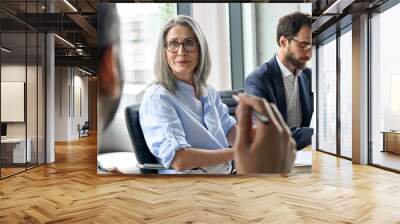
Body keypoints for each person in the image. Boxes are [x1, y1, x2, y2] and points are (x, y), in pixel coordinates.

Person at [139, 15, 296, 174]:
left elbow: (230, 131)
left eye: (189, 43)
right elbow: (179, 160)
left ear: (200, 49)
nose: (181, 51)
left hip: (223, 177)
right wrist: (241, 153)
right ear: (164, 51)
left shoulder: (208, 91)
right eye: (173, 44)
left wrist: (261, 138)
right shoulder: (158, 98)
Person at [245, 12, 313, 150]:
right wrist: (318, 135)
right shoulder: (257, 81)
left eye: (311, 47)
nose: (309, 54)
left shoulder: (308, 76)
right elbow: (267, 134)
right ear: (283, 42)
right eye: (304, 45)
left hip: (304, 155)